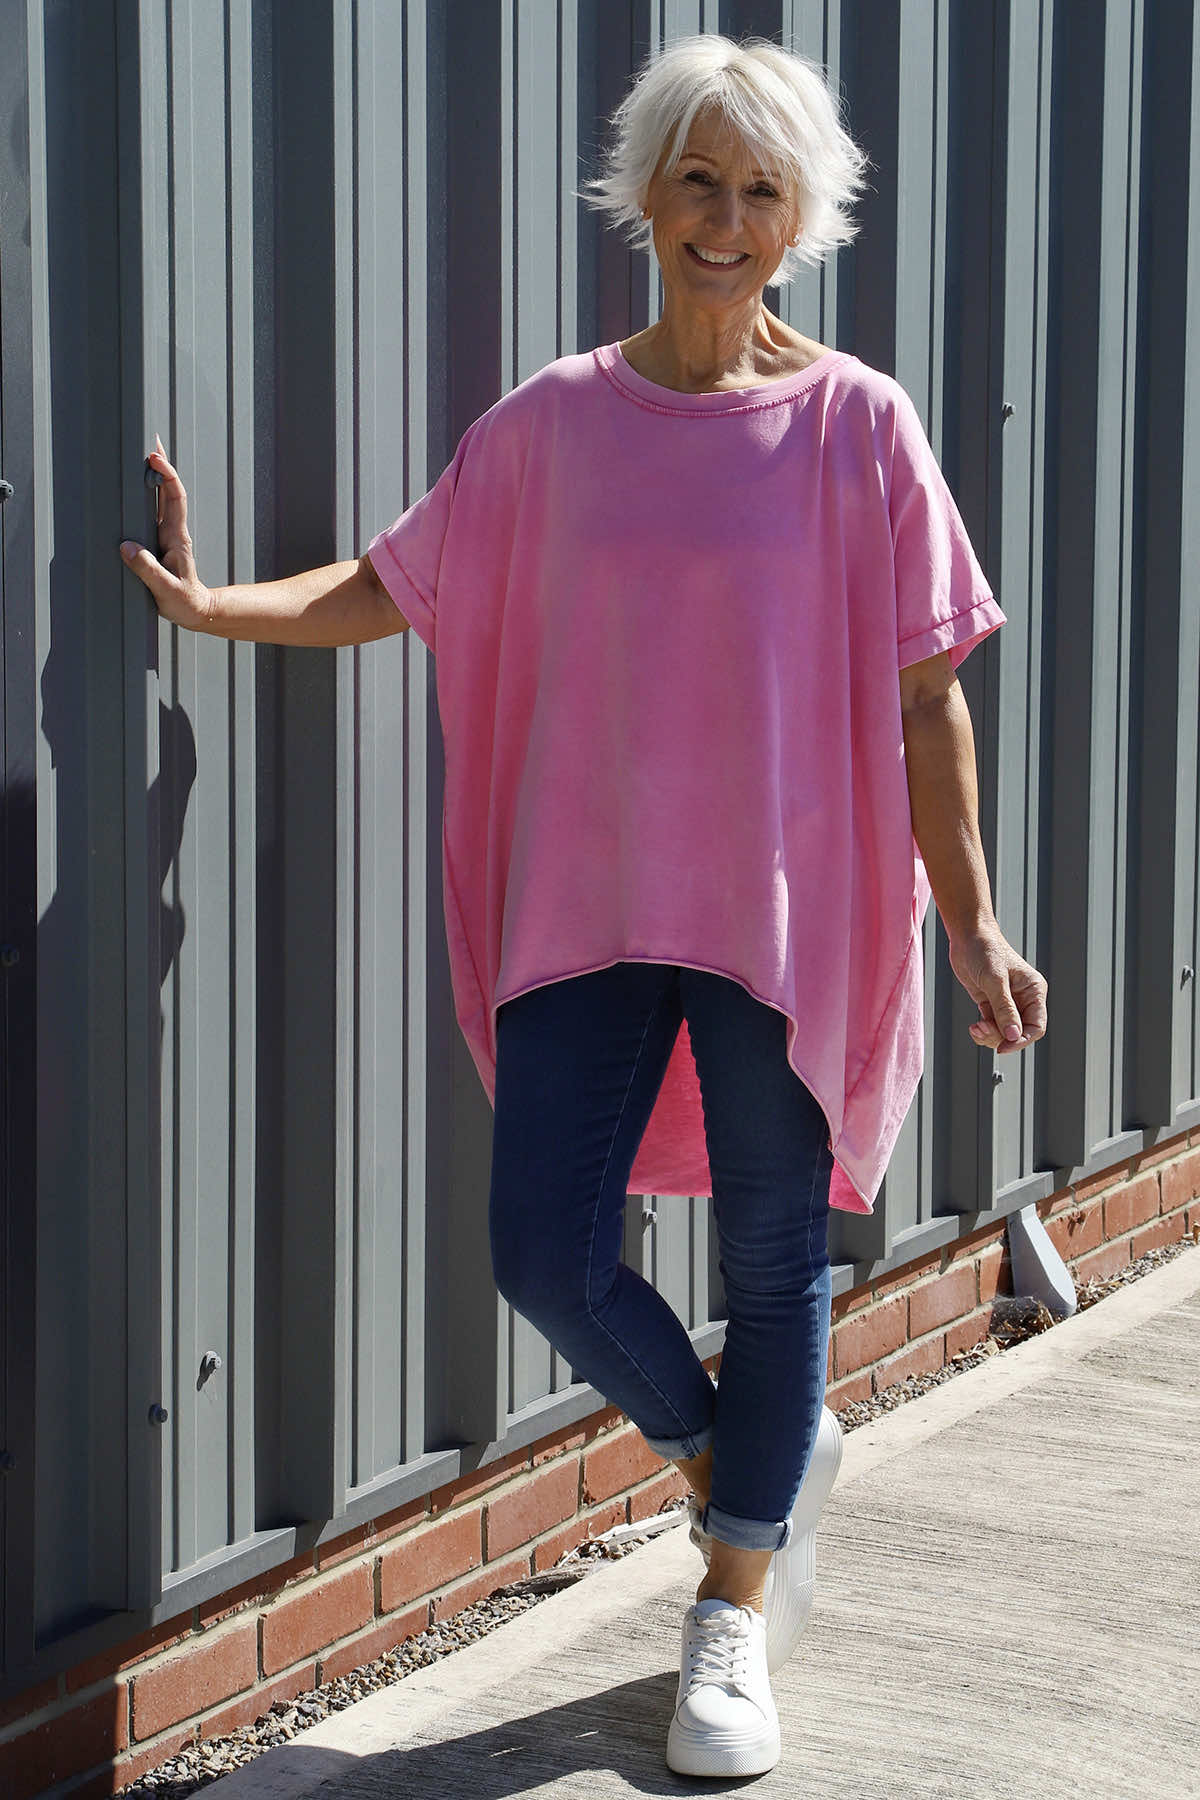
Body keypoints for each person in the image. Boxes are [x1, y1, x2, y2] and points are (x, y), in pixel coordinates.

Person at [120, 33, 1048, 1782]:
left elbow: (931, 693)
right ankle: (741, 1465)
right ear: (645, 193)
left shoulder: (858, 425)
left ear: (801, 218)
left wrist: (975, 922)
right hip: (585, 906)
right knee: (544, 1249)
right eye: (698, 179)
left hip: (783, 923)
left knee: (775, 1257)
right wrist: (215, 608)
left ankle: (731, 1614)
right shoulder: (554, 421)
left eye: (760, 189)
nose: (725, 218)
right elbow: (401, 580)